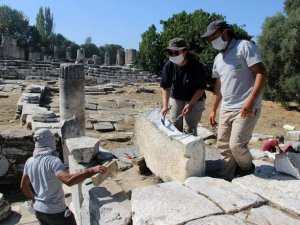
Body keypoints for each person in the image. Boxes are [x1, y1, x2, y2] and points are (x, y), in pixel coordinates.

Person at [202, 20, 267, 181]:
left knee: (236, 145)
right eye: (209, 38)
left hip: (246, 107)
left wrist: (251, 100)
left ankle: (247, 169)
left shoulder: (244, 47)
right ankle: (227, 177)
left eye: (213, 36)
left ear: (224, 32)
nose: (211, 41)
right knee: (223, 146)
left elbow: (261, 73)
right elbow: (218, 86)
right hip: (226, 108)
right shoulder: (218, 58)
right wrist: (213, 109)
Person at [20, 128, 107, 225]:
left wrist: (34, 199)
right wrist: (91, 170)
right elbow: (68, 180)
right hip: (56, 212)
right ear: (49, 141)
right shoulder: (53, 161)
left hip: (39, 211)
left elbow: (23, 186)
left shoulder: (29, 162)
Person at [160, 37, 206, 135]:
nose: (173, 55)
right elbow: (165, 87)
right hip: (177, 96)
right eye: (170, 53)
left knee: (190, 128)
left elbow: (201, 88)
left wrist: (190, 104)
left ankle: (191, 148)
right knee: (175, 125)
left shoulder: (196, 66)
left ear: (184, 52)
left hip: (195, 98)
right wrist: (165, 106)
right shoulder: (169, 65)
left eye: (176, 53)